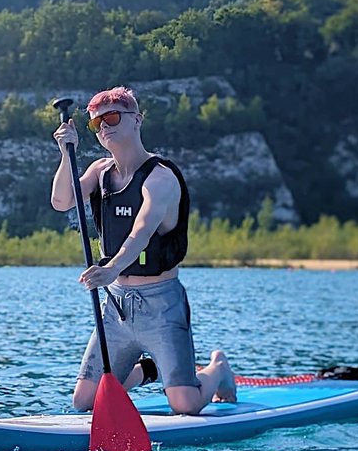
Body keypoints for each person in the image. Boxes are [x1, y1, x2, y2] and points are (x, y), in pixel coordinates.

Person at [52, 85, 236, 415]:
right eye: (96, 123)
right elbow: (62, 201)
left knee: (185, 405)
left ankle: (217, 369)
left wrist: (110, 268)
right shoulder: (99, 171)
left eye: (111, 117)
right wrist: (67, 153)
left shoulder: (160, 177)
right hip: (117, 307)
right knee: (83, 402)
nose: (104, 126)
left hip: (162, 305)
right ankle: (151, 370)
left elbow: (142, 229)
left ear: (136, 120)